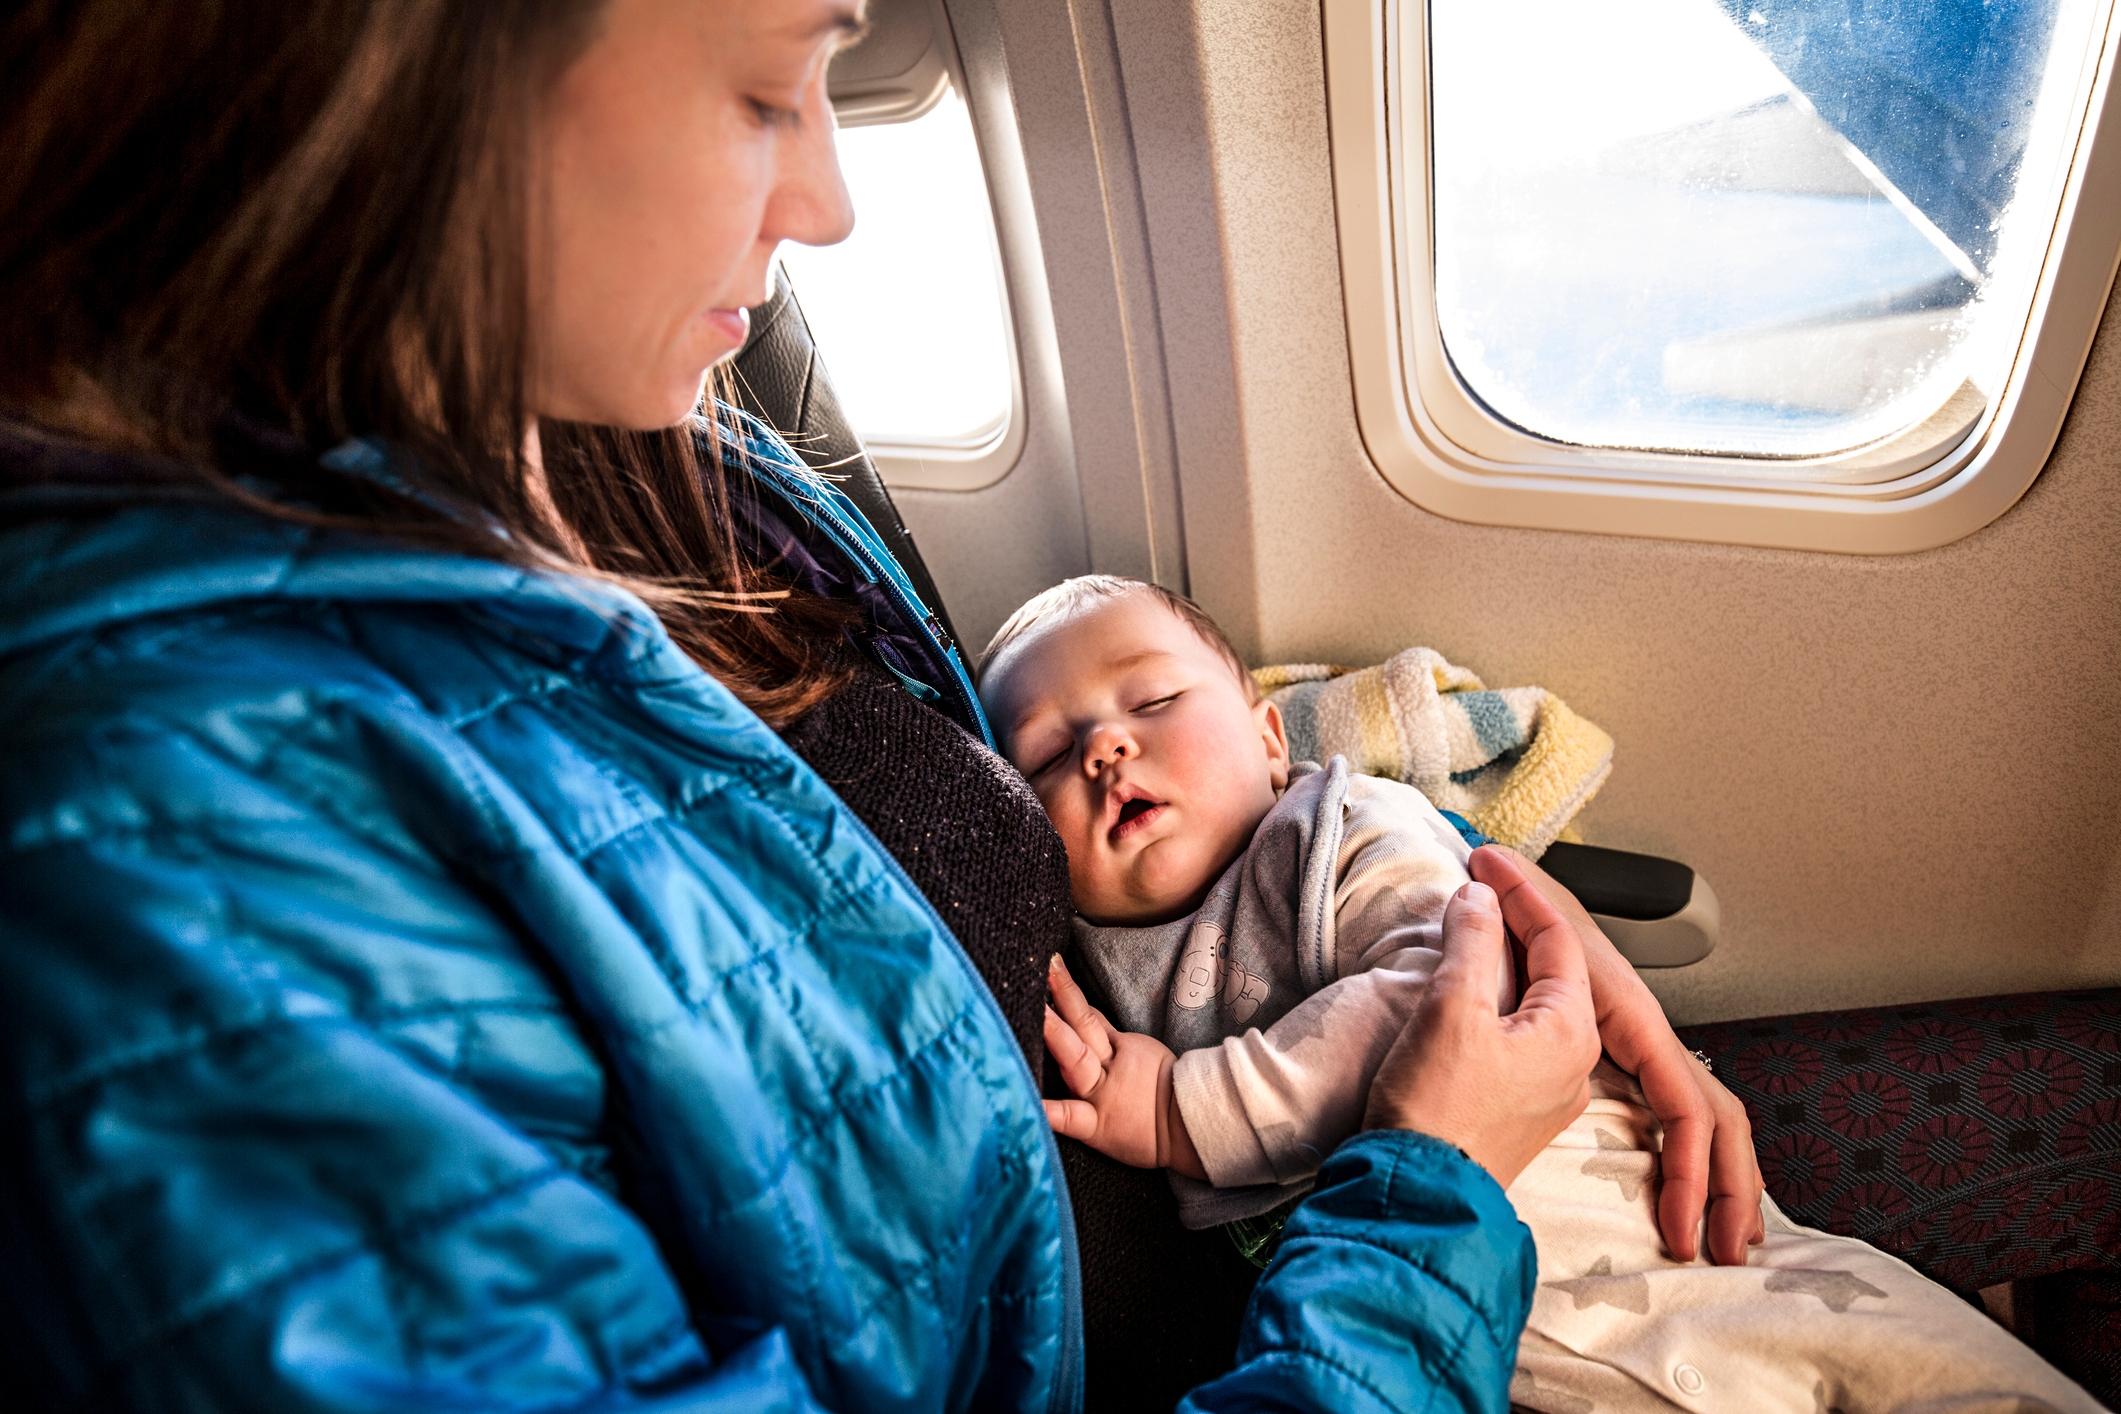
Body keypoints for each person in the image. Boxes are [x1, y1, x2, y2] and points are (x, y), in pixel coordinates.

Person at [0, 1, 1738, 1409]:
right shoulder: (170, 880)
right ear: (405, 85)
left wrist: (1480, 910)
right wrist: (1428, 1184)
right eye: (768, 90)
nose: (827, 200)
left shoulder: (674, 450)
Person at [978, 573, 2102, 1413]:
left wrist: (1180, 1107)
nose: (1104, 746)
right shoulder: (1092, 968)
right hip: (1500, 1345)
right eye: (1046, 754)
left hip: (1693, 1268)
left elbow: (1433, 1003)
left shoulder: (1336, 832)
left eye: (1152, 699)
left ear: (1273, 742)